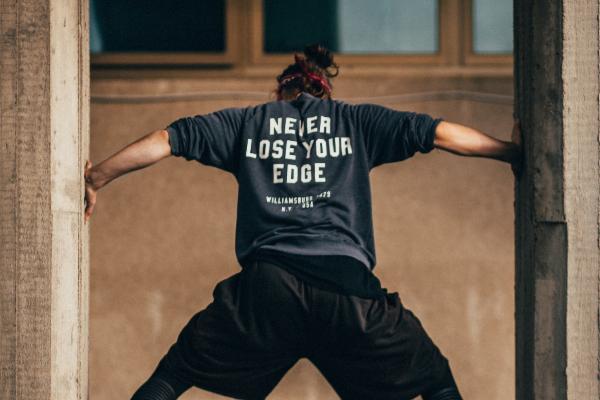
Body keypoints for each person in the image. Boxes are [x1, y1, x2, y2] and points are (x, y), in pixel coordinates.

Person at [84, 44, 522, 400]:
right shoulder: (356, 121)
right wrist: (511, 152)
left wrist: (97, 176)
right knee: (434, 376)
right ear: (324, 91)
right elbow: (441, 133)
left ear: (281, 92)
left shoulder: (246, 123)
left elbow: (165, 140)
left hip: (269, 287)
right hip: (346, 290)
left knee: (176, 370)